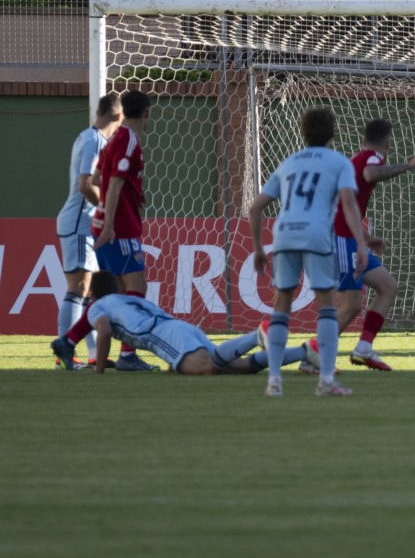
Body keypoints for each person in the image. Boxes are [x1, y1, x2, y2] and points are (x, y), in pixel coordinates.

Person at [249, 107, 369, 397]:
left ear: (303, 132)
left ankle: (274, 381)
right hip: (316, 234)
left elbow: (255, 207)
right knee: (327, 306)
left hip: (285, 233)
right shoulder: (339, 163)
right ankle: (326, 381)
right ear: (333, 132)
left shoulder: (289, 162)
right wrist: (361, 242)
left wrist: (256, 247)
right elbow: (348, 203)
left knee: (281, 306)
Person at [53, 90, 159, 372]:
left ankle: (69, 341)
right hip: (118, 227)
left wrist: (135, 194)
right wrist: (110, 223)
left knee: (113, 293)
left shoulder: (111, 140)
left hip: (103, 222)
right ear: (146, 113)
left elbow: (101, 175)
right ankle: (127, 355)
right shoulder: (127, 139)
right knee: (135, 288)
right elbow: (111, 184)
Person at [327, 119, 415, 372]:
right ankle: (315, 353)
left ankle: (364, 348)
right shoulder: (372, 157)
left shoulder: (356, 158)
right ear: (387, 143)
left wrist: (366, 237)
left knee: (387, 286)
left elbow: (342, 208)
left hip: (351, 238)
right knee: (350, 306)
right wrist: (409, 165)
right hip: (342, 240)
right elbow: (371, 174)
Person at [57, 271, 310, 375]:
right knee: (240, 368)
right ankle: (307, 352)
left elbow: (103, 330)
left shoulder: (97, 306)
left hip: (164, 336)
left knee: (208, 369)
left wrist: (99, 370)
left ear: (93, 294)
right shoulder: (125, 300)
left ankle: (256, 336)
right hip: (180, 328)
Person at [54, 92, 123, 369]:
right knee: (79, 288)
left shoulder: (87, 136)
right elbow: (85, 185)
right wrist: (107, 211)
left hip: (83, 222)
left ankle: (95, 355)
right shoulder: (95, 140)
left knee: (89, 290)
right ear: (118, 117)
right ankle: (64, 355)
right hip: (79, 222)